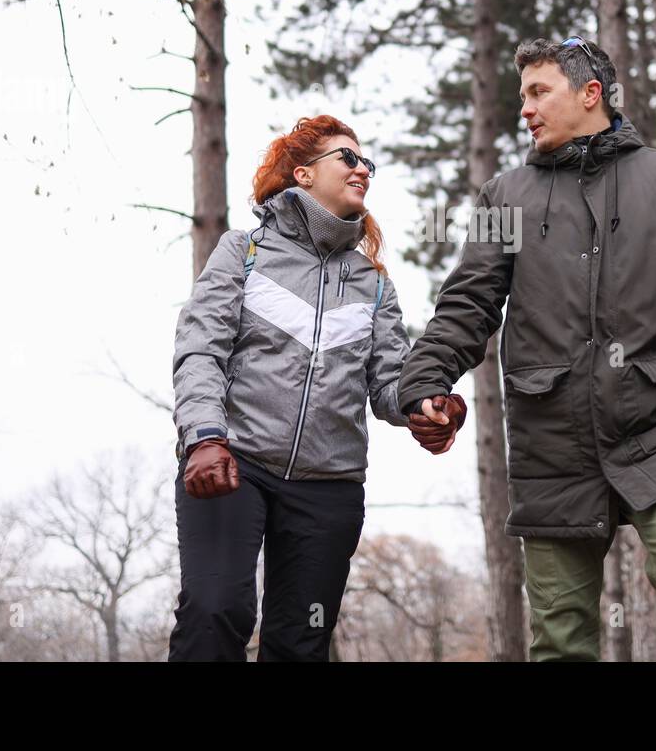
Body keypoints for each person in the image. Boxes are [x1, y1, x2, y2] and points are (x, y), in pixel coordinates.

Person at [398, 36, 656, 661]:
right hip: (552, 438)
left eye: (538, 92)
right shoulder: (506, 195)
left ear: (590, 94)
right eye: (520, 95)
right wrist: (425, 380)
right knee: (560, 634)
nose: (524, 108)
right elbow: (469, 304)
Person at [167, 114, 466, 662]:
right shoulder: (244, 252)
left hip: (329, 485)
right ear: (303, 174)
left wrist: (428, 404)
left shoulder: (373, 283)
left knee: (302, 641)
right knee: (216, 610)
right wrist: (204, 436)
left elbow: (388, 381)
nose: (362, 169)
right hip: (232, 463)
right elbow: (199, 349)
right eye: (347, 157)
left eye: (367, 162)